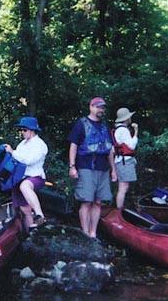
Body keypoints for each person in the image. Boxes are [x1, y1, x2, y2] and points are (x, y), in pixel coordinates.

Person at [68, 97, 117, 241]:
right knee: (86, 201)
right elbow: (73, 145)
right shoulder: (81, 124)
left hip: (103, 168)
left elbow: (109, 151)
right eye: (98, 107)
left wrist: (113, 170)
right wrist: (72, 166)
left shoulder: (105, 127)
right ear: (91, 107)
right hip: (85, 166)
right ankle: (85, 234)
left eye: (102, 108)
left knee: (98, 202)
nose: (100, 110)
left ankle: (93, 233)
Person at [4, 116, 49, 230]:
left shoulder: (40, 145)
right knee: (25, 209)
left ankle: (40, 216)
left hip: (35, 176)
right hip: (20, 177)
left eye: (25, 130)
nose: (22, 132)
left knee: (25, 186)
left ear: (32, 130)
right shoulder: (23, 143)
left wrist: (12, 152)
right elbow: (16, 160)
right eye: (21, 130)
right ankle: (29, 234)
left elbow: (28, 160)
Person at [112, 107, 139, 209]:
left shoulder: (118, 129)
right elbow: (132, 145)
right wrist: (136, 131)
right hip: (124, 161)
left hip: (122, 161)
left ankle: (120, 208)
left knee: (123, 187)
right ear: (127, 119)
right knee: (123, 187)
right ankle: (119, 210)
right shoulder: (123, 130)